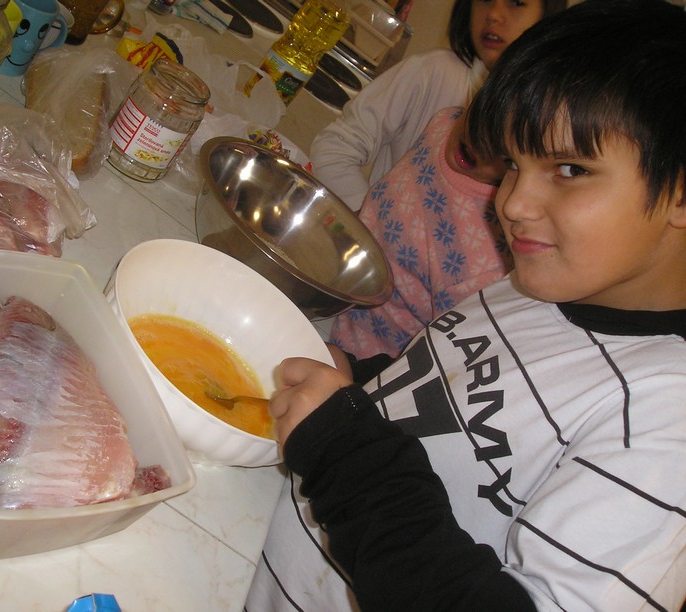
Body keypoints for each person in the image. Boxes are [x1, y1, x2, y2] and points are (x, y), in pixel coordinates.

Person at [245, 1, 686, 610]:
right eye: (514, 165)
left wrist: (344, 449)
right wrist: (354, 381)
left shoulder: (665, 422)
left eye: (569, 168)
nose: (512, 204)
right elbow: (442, 398)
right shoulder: (538, 282)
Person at [310, 0, 566, 212]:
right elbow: (335, 147)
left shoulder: (547, 127)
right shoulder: (434, 73)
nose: (494, 14)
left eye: (516, 3)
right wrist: (369, 225)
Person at [328, 106, 513, 359]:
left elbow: (439, 353)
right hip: (329, 283)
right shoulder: (443, 123)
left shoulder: (491, 256)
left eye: (505, 146)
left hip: (357, 357)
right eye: (486, 112)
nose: (481, 141)